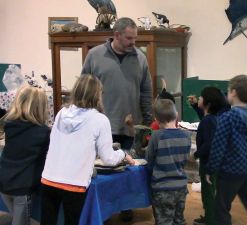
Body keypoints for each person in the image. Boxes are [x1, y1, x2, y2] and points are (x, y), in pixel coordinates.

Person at [40, 75, 135, 225]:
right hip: (73, 184)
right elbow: (109, 159)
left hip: (49, 179)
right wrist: (123, 154)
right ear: (98, 95)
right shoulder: (100, 119)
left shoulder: (61, 114)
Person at [206, 75, 247, 225]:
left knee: (221, 208)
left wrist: (210, 170)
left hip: (230, 172)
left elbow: (218, 147)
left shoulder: (227, 118)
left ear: (234, 92)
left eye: (228, 91)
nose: (227, 93)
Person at [81, 17, 153, 151]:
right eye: (129, 38)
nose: (133, 42)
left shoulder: (141, 58)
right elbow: (84, 90)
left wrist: (148, 123)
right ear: (117, 35)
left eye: (135, 38)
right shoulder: (94, 55)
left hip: (131, 130)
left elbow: (146, 92)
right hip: (100, 128)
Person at [0, 86, 50, 225]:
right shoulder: (43, 133)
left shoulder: (10, 126)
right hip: (22, 189)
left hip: (4, 183)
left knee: (18, 219)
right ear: (41, 107)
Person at [146, 99, 191, 225]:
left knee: (164, 221)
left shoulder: (156, 136)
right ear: (176, 115)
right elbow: (185, 159)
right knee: (179, 220)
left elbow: (149, 160)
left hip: (162, 188)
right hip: (181, 187)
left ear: (156, 119)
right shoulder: (186, 136)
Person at [192, 87, 228, 225]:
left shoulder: (208, 121)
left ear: (208, 103)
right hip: (214, 163)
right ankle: (209, 217)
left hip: (208, 164)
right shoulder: (212, 118)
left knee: (208, 196)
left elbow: (208, 144)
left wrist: (195, 155)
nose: (198, 98)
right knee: (210, 194)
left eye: (201, 97)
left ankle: (211, 220)